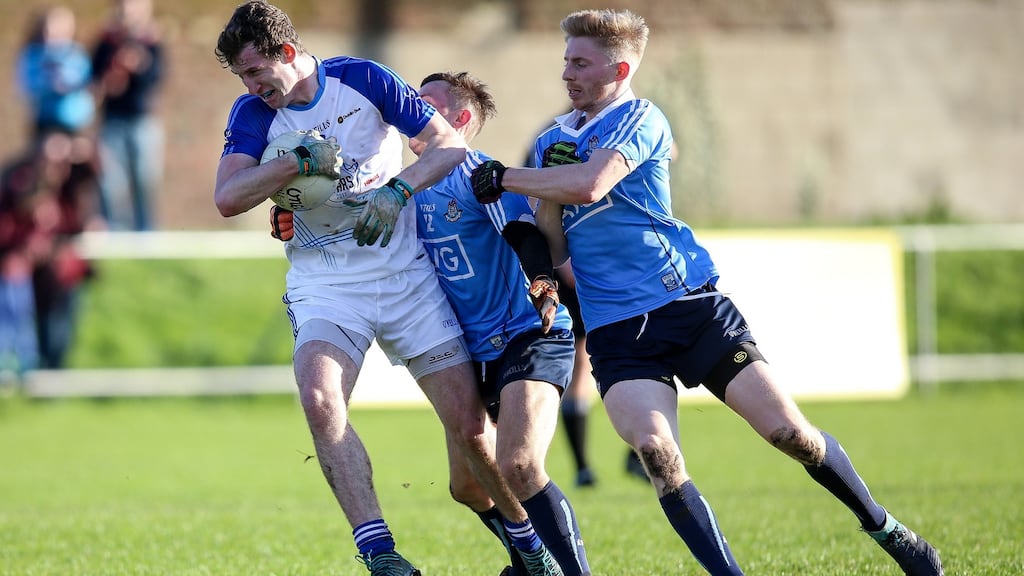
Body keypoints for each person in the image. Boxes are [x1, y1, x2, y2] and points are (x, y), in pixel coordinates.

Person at [468, 8, 944, 576]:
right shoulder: (550, 142)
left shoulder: (641, 117)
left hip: (689, 307)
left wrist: (505, 177)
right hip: (618, 332)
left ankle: (888, 530)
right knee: (657, 452)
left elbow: (591, 185)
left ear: (618, 69)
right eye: (565, 59)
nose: (566, 71)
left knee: (791, 434)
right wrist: (538, 269)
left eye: (579, 61)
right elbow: (548, 228)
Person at [213, 3, 561, 575]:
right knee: (321, 399)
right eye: (243, 78)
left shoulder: (363, 80)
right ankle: (382, 555)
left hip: (407, 279)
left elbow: (447, 145)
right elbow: (229, 197)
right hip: (326, 283)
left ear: (287, 53)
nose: (253, 87)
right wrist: (292, 165)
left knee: (472, 432)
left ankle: (527, 543)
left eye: (257, 72)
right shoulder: (253, 112)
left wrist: (398, 191)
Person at [270, 70, 591, 576]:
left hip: (524, 334)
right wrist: (294, 212)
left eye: (428, 106)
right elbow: (344, 222)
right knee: (466, 486)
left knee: (520, 466)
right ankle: (528, 559)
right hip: (472, 347)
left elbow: (525, 234)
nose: (412, 112)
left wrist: (544, 283)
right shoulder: (404, 187)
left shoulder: (481, 176)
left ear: (459, 121)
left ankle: (558, 567)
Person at [91, 0, 165, 231]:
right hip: (112, 120)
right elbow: (94, 78)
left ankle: (146, 232)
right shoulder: (106, 42)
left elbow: (157, 78)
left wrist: (139, 65)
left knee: (145, 179)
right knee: (110, 181)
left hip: (142, 119)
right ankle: (113, 231)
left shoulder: (151, 41)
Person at [15, 5, 96, 138]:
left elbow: (87, 82)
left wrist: (68, 84)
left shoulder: (77, 54)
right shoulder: (33, 54)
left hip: (75, 120)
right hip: (45, 119)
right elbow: (26, 85)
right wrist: (48, 84)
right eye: (50, 31)